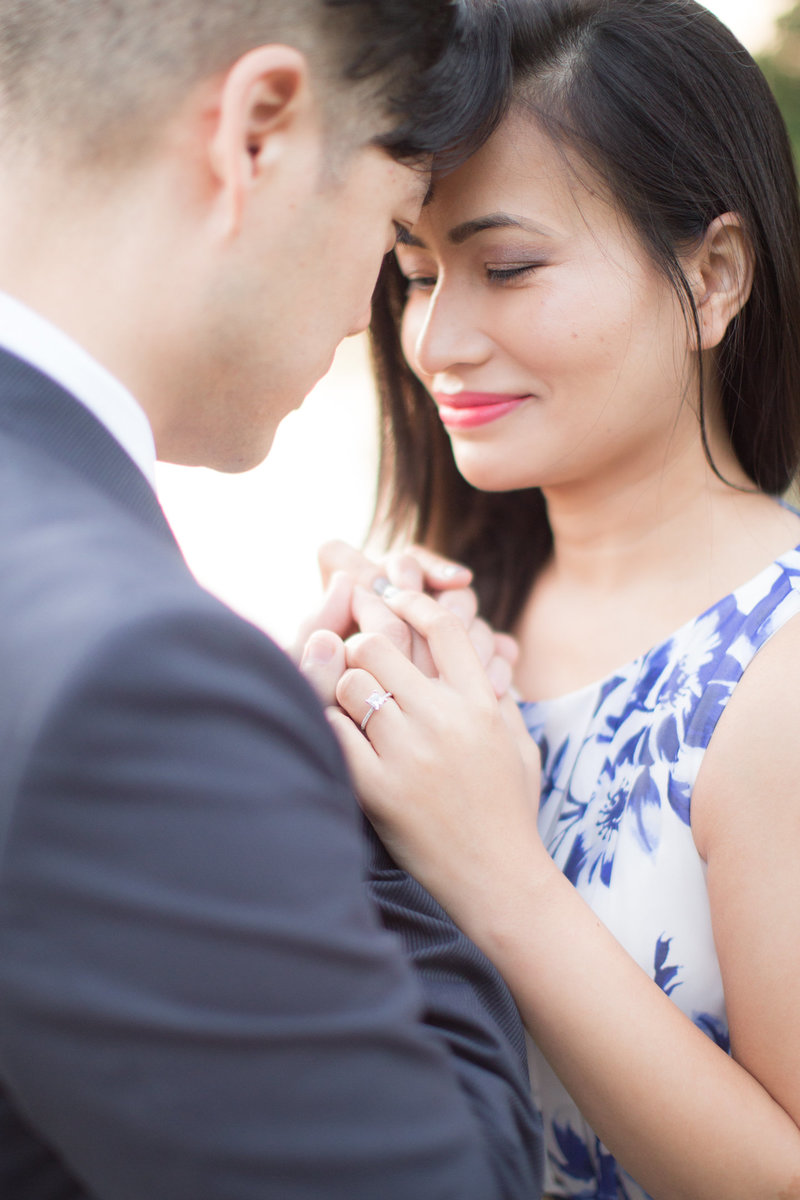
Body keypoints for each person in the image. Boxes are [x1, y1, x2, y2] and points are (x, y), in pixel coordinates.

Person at [0, 2, 546, 1198]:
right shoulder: (132, 680)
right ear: (259, 133)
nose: (377, 319)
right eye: (395, 230)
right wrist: (411, 843)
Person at [324, 0, 800, 1196]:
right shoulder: (453, 617)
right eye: (416, 273)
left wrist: (494, 874)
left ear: (712, 274)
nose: (435, 338)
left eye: (507, 266)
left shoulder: (777, 670)